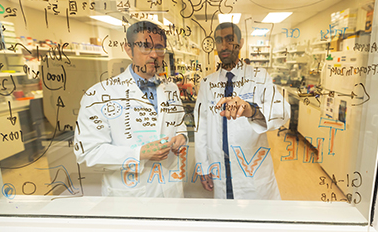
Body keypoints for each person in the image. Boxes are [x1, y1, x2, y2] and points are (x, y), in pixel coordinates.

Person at [74, 21, 187, 197]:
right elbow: (88, 152)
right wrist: (139, 153)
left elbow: (178, 124)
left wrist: (181, 136)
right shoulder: (99, 94)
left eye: (159, 47)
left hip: (170, 187)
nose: (154, 54)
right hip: (130, 194)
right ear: (128, 49)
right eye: (145, 46)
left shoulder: (170, 88)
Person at [194, 22, 290, 200]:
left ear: (241, 43)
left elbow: (282, 111)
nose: (224, 46)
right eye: (219, 41)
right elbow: (201, 127)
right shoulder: (207, 84)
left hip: (251, 172)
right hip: (220, 170)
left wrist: (251, 111)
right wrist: (202, 166)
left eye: (230, 40)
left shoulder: (259, 77)